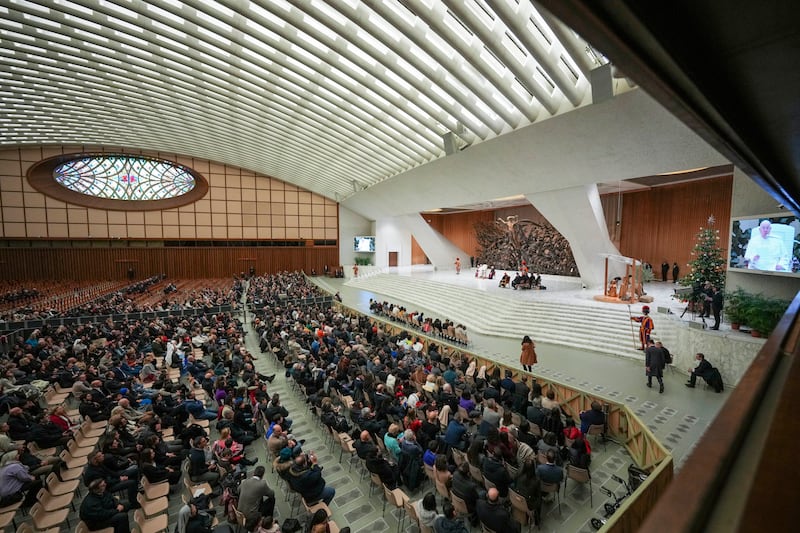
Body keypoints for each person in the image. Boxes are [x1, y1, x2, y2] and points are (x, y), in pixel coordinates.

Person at [238, 466, 276, 531]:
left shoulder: (244, 481)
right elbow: (271, 494)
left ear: (253, 473)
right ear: (262, 475)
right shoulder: (262, 484)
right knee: (272, 499)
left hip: (240, 512)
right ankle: (269, 519)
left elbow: (238, 490)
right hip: (251, 516)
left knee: (259, 496)